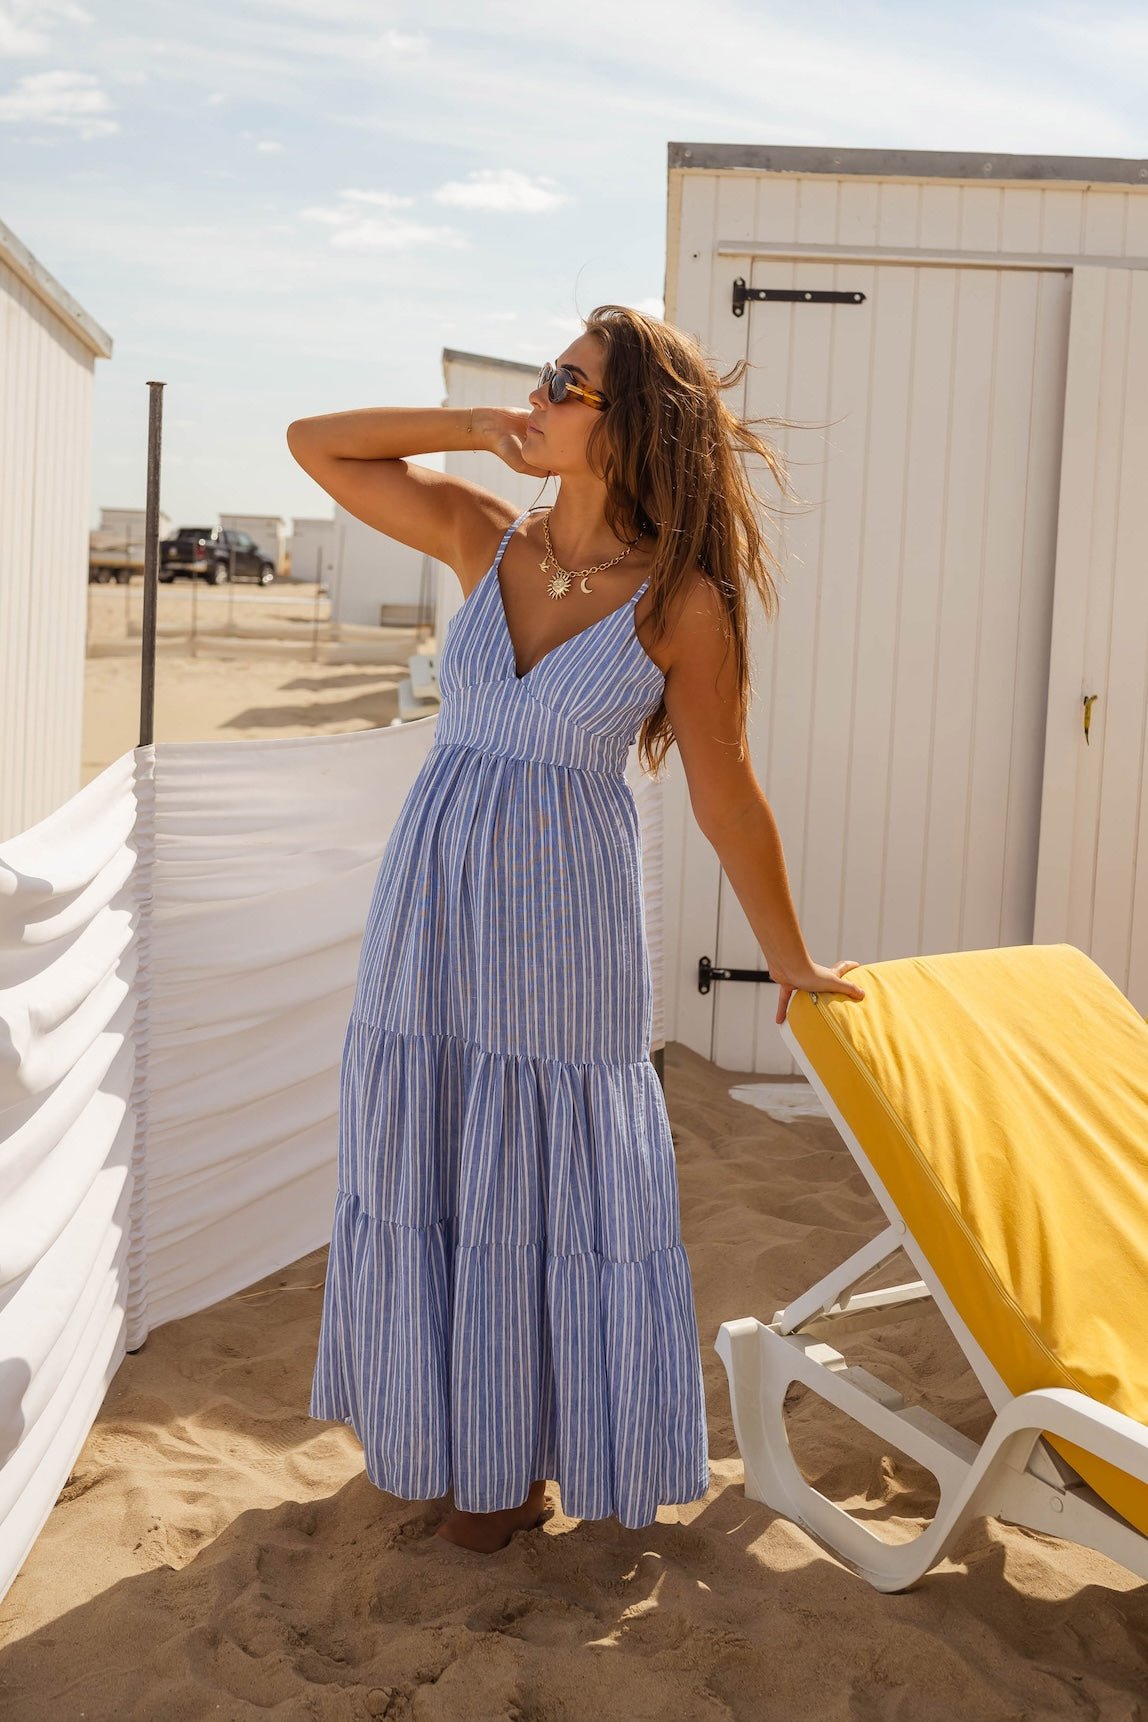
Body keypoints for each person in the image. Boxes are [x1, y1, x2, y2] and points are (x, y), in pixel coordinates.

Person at [286, 304, 865, 1555]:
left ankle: (512, 1467)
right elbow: (314, 444)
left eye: (566, 385)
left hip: (565, 926)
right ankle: (448, 1431)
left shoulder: (680, 603)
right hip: (432, 906)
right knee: (433, 1150)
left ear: (632, 423)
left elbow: (725, 790)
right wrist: (472, 423)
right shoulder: (479, 534)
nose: (540, 396)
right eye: (546, 375)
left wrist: (788, 955)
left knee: (543, 1175)